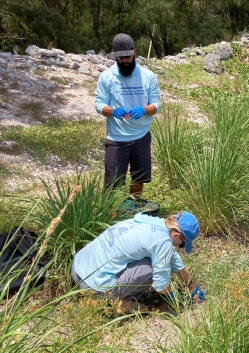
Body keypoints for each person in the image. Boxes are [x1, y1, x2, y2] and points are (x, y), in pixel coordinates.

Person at [71, 211, 205, 313]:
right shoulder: (162, 241)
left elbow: (171, 256)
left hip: (78, 269)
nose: (179, 247)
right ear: (176, 235)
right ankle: (119, 302)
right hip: (94, 288)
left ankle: (113, 297)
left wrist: (191, 286)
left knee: (155, 259)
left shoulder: (150, 222)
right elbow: (160, 284)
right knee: (151, 269)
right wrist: (176, 300)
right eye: (182, 244)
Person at [95, 33, 161, 198]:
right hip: (116, 138)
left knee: (139, 177)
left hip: (141, 136)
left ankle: (134, 207)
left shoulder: (148, 76)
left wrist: (144, 110)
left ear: (135, 52)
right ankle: (110, 214)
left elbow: (156, 105)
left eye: (127, 56)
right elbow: (99, 104)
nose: (124, 60)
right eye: (120, 57)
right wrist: (112, 111)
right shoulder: (107, 77)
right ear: (114, 56)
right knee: (112, 183)